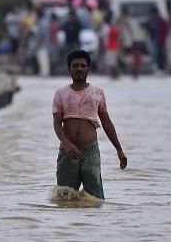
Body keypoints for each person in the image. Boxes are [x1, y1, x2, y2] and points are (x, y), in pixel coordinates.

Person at [52, 50, 127, 200]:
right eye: (75, 66)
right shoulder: (60, 94)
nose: (79, 69)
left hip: (90, 152)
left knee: (95, 199)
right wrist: (67, 144)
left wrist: (119, 150)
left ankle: (92, 225)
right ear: (69, 69)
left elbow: (106, 123)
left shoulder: (97, 93)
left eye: (82, 65)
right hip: (68, 152)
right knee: (64, 197)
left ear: (88, 69)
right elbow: (57, 124)